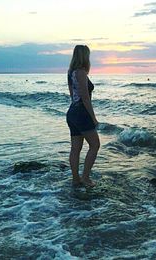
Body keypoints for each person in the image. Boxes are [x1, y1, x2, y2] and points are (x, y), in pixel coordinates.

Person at [66, 45, 100, 187]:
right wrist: (93, 118)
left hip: (72, 112)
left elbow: (72, 95)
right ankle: (85, 177)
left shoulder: (71, 72)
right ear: (84, 56)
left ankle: (76, 179)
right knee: (95, 145)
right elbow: (85, 98)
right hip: (81, 113)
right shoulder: (81, 73)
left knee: (75, 148)